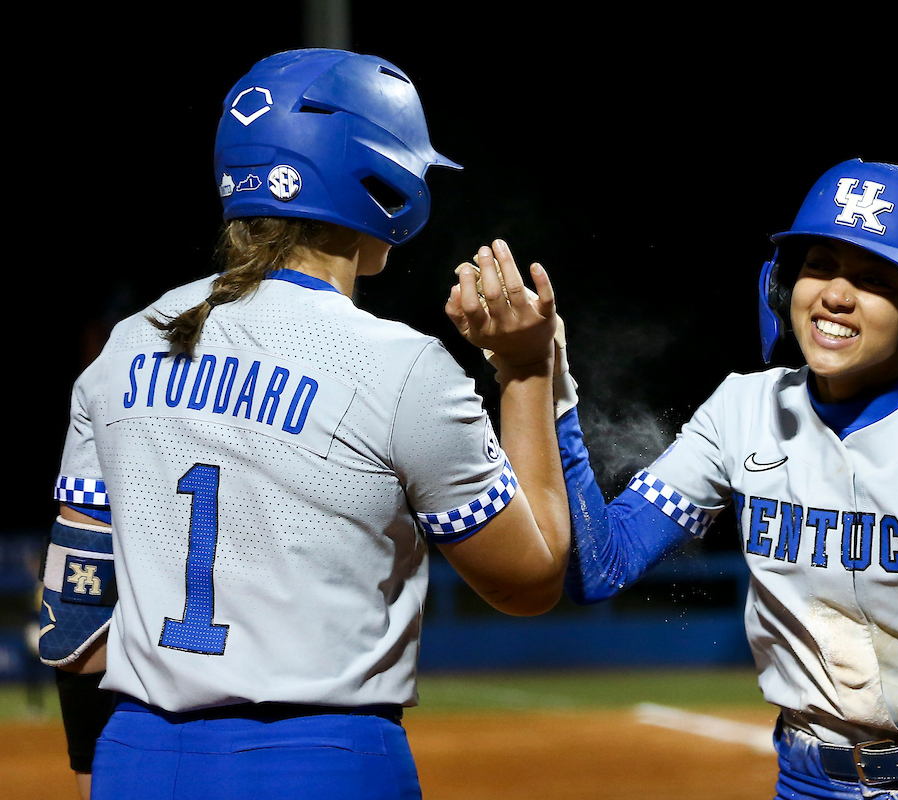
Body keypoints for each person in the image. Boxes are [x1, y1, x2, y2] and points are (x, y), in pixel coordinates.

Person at [451, 159, 898, 800]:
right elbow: (598, 567)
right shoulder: (742, 412)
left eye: (874, 278)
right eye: (819, 265)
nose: (835, 294)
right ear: (782, 282)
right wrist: (547, 384)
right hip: (807, 783)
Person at [41, 48, 568, 800]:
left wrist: (110, 763)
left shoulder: (129, 342)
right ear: (376, 176)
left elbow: (74, 612)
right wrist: (524, 371)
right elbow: (530, 580)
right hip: (323, 758)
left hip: (138, 757)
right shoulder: (402, 366)